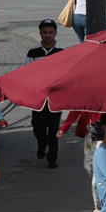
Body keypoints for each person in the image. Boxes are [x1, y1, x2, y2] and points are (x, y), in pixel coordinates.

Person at [25, 20, 64, 167]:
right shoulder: (33, 52)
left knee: (54, 127)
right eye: (45, 32)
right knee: (38, 126)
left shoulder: (62, 51)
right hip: (39, 96)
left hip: (55, 96)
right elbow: (27, 73)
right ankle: (42, 143)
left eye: (50, 32)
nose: (47, 35)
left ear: (55, 33)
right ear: (40, 33)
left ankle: (52, 158)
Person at [57, 111, 101, 212]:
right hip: (89, 132)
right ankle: (101, 187)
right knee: (88, 165)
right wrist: (64, 128)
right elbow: (76, 110)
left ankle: (98, 206)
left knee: (97, 169)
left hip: (105, 131)